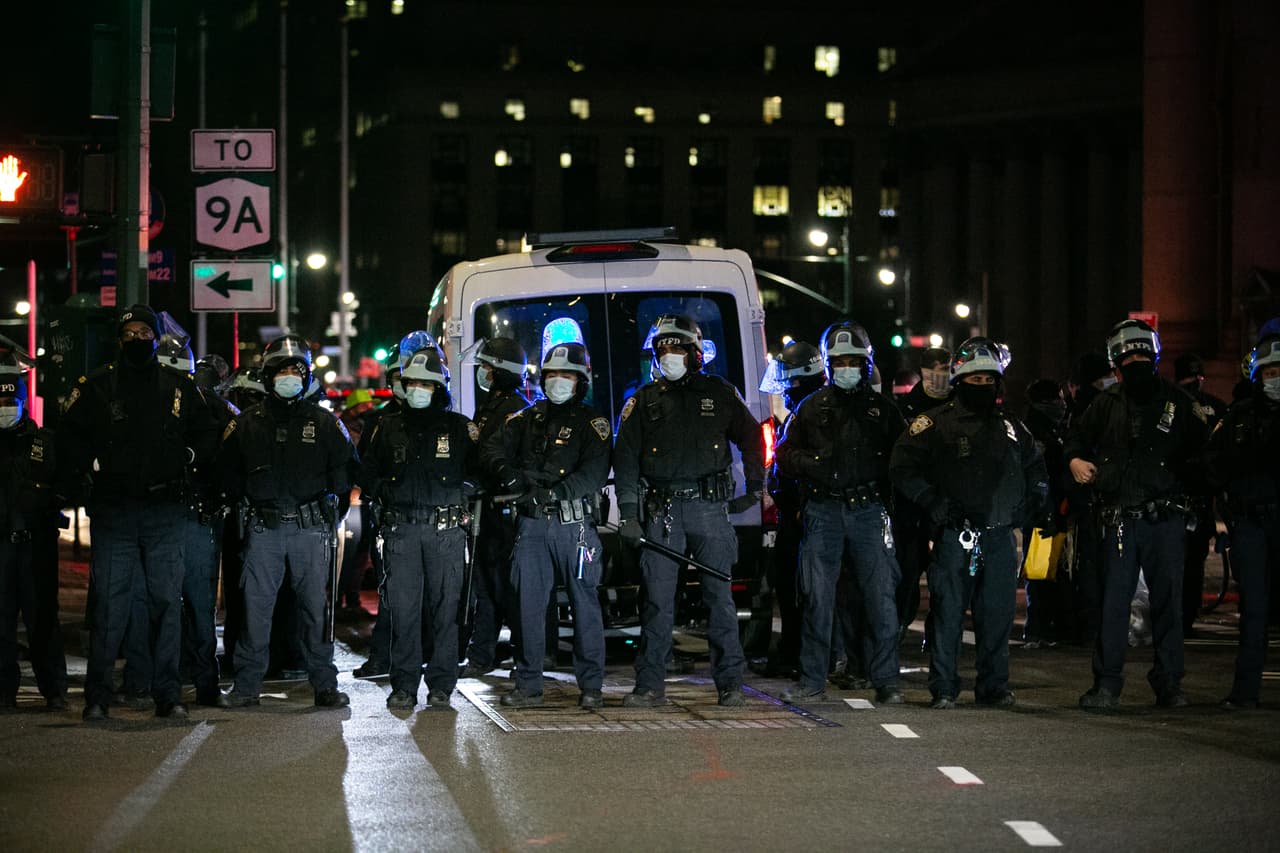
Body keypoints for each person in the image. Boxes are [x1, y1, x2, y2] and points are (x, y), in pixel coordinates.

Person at [60, 305, 219, 721]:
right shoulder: (96, 387)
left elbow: (207, 435)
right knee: (111, 607)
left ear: (155, 336)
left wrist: (186, 455)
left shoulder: (179, 388)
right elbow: (69, 437)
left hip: (165, 511)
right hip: (116, 512)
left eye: (143, 332)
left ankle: (168, 694)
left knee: (167, 604)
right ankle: (98, 695)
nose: (136, 339)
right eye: (128, 332)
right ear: (119, 338)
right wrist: (88, 465)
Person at [614, 314, 765, 707]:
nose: (669, 355)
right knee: (658, 603)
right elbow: (626, 462)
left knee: (720, 599)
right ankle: (649, 686)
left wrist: (755, 487)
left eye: (677, 347)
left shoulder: (720, 394)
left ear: (696, 354)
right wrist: (629, 515)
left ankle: (730, 684)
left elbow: (752, 437)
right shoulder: (643, 401)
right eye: (663, 348)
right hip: (661, 513)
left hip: (710, 511)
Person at [890, 337, 1048, 709]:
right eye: (974, 380)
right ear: (960, 381)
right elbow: (901, 466)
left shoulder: (1012, 426)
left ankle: (993, 686)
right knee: (947, 614)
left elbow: (1035, 467)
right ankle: (944, 686)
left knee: (997, 616)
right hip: (953, 536)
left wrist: (1033, 503)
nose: (982, 386)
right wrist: (931, 501)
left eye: (988, 380)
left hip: (998, 536)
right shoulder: (935, 423)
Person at [1065, 319, 1209, 710]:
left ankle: (1169, 683)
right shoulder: (1105, 404)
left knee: (1168, 605)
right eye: (1130, 357)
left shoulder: (1179, 404)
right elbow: (1075, 437)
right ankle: (1107, 685)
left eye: (1143, 354)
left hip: (1165, 519)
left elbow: (1207, 455)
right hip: (1119, 520)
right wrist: (1077, 460)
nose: (1137, 362)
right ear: (1116, 363)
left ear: (1156, 357)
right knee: (1113, 605)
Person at [217, 335, 357, 709]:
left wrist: (332, 512)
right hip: (263, 532)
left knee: (314, 611)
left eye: (297, 370)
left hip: (310, 532)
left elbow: (346, 473)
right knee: (255, 611)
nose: (290, 376)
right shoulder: (246, 424)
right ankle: (247, 687)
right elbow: (226, 474)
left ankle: (324, 685)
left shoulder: (325, 423)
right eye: (282, 370)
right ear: (268, 375)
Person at [775, 322, 906, 704]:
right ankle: (813, 678)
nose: (846, 367)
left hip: (869, 511)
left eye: (853, 361)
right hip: (823, 510)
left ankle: (887, 681)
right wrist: (813, 463)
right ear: (829, 366)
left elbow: (905, 458)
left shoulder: (883, 410)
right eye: (839, 361)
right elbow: (784, 454)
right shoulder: (811, 407)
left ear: (865, 365)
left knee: (880, 597)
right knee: (817, 596)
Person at [483, 339, 611, 709]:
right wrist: (511, 478)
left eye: (565, 375)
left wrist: (552, 493)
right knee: (529, 607)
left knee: (584, 605)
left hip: (574, 527)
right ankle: (528, 685)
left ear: (580, 380)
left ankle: (591, 687)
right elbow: (492, 450)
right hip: (532, 528)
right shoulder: (526, 419)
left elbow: (593, 473)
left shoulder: (593, 423)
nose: (557, 381)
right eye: (552, 374)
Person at [359, 339, 477, 709]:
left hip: (445, 532)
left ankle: (441, 684)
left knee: (446, 611)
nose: (417, 389)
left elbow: (480, 473)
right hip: (402, 532)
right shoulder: (386, 427)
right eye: (411, 382)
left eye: (425, 384)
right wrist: (383, 493)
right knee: (403, 612)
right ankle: (404, 685)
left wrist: (465, 492)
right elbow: (367, 471)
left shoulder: (460, 429)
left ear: (439, 388)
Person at [1204, 320, 1280, 709]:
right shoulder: (1238, 417)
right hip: (1250, 522)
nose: (1276, 379)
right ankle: (1245, 691)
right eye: (1270, 372)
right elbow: (1213, 464)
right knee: (1253, 608)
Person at [0, 345, 69, 711]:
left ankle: (54, 689)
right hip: (1, 546)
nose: (4, 406)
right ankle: (3, 691)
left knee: (43, 619)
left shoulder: (44, 443)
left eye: (10, 399)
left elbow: (63, 488)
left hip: (36, 545)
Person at [461, 336, 534, 678]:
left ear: (501, 372)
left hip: (506, 515)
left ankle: (527, 659)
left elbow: (500, 459)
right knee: (487, 588)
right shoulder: (492, 405)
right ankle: (481, 656)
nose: (482, 373)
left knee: (510, 590)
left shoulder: (515, 409)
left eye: (487, 368)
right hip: (488, 511)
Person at [756, 339, 826, 677]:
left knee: (808, 590)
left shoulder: (817, 413)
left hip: (808, 517)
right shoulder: (800, 414)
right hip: (792, 516)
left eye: (789, 381)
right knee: (786, 585)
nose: (784, 388)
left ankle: (805, 656)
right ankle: (791, 651)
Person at [351, 344, 406, 678]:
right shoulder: (377, 421)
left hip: (431, 522)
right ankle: (383, 655)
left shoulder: (444, 420)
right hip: (389, 518)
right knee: (389, 590)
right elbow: (364, 470)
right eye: (400, 377)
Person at [1173, 353, 1228, 637]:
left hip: (1179, 497)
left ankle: (1178, 617)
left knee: (1177, 563)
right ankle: (1186, 616)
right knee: (1192, 564)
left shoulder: (1170, 405)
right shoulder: (1215, 407)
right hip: (1200, 499)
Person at [1021, 378, 1070, 647]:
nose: (1062, 404)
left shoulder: (1051, 428)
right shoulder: (1035, 431)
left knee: (1051, 573)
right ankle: (1038, 628)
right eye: (1056, 399)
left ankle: (1047, 626)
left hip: (1054, 510)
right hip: (1042, 513)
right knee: (1040, 572)